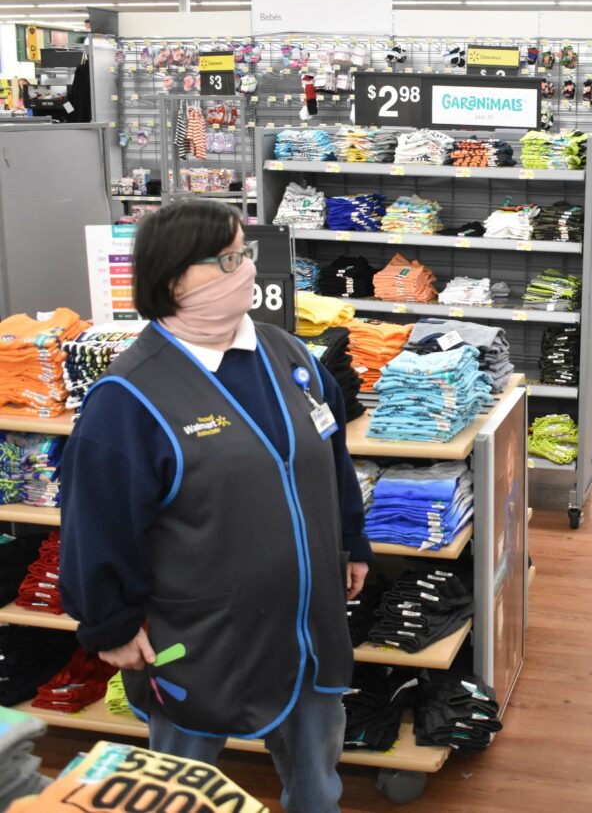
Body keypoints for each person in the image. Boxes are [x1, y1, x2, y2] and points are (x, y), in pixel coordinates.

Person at [59, 199, 372, 813]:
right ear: (173, 279)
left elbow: (330, 460)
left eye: (245, 254)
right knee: (174, 789)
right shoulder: (128, 397)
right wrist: (109, 625)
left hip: (305, 622)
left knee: (317, 777)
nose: (246, 270)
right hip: (196, 639)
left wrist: (352, 542)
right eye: (226, 259)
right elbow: (94, 525)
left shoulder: (292, 358)